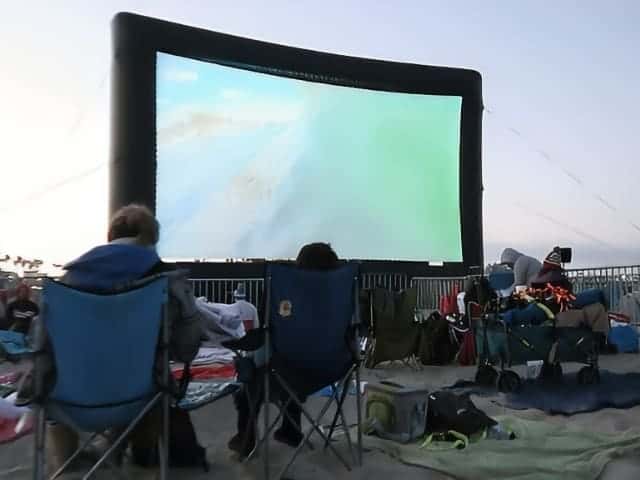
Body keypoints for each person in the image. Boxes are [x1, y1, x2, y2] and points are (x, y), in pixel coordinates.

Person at [18, 204, 203, 470]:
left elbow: (41, 347)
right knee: (157, 386)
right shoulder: (166, 281)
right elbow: (187, 349)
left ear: (110, 236)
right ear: (151, 238)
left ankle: (69, 463)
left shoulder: (66, 282)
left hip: (69, 403)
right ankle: (142, 459)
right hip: (140, 400)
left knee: (52, 376)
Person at [228, 242, 340, 458]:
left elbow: (268, 339)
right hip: (330, 369)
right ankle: (291, 430)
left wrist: (248, 358)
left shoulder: (286, 292)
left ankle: (246, 437)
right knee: (288, 370)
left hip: (289, 371)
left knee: (254, 378)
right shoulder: (339, 295)